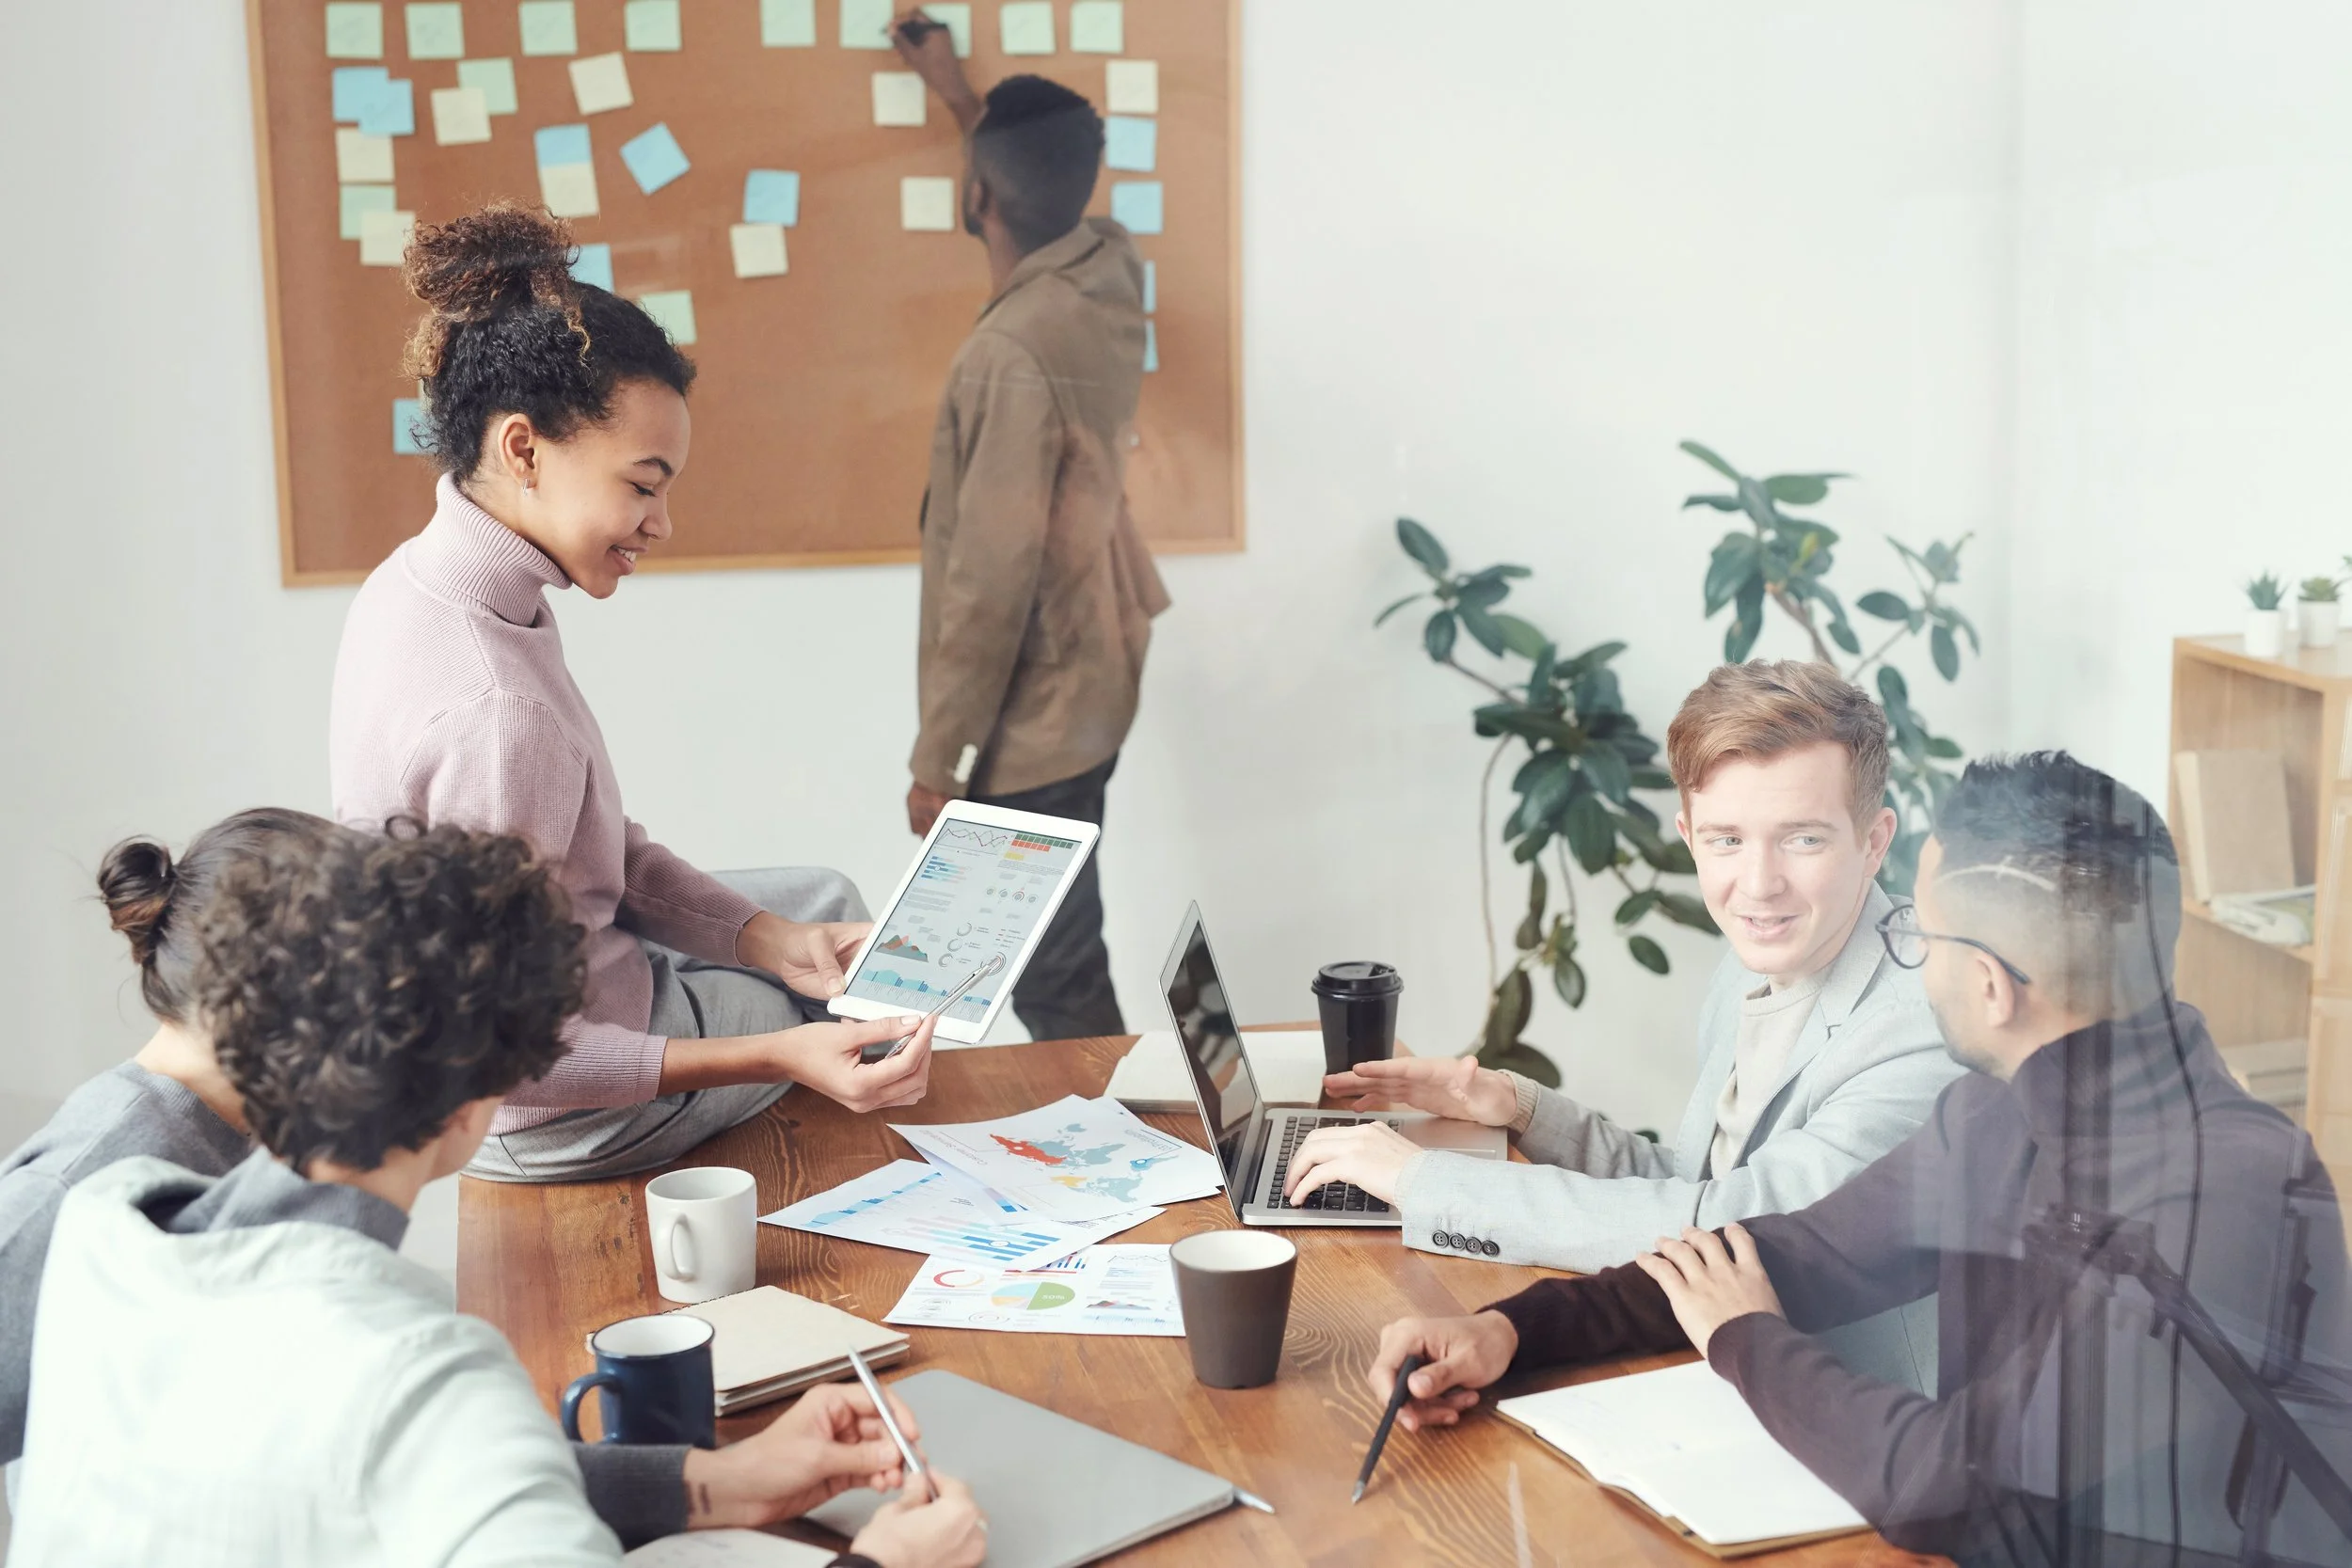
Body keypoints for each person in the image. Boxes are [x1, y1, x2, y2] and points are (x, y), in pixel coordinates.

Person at [1366, 753, 2352, 1562]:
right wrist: (1508, 1332)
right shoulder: (1993, 1116)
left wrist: (1746, 1341)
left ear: (1991, 984)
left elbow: (1950, 1484)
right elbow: (1781, 1253)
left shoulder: (2223, 1190)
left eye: (1921, 934)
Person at [0, 814, 985, 1564]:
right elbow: (432, 1434)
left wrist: (712, 1480)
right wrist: (878, 1559)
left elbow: (420, 1469)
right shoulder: (426, 1366)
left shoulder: (110, 1222)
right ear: (485, 1094)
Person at [330, 203, 939, 1184]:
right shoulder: (499, 712)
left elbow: (588, 845)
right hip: (554, 1108)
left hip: (585, 978)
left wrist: (761, 935)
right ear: (523, 448)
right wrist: (783, 1049)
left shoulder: (426, 583)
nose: (661, 522)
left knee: (819, 911)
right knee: (863, 1018)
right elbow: (513, 1065)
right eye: (643, 484)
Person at [1284, 661, 1962, 1386]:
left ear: (1874, 840)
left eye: (1802, 839)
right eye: (1727, 839)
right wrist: (1519, 1108)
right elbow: (1684, 1182)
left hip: (1852, 1411)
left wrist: (1425, 1179)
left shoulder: (1925, 1021)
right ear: (1689, 834)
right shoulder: (1757, 954)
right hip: (1710, 1359)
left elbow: (1729, 1227)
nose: (1759, 883)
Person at [888, 13, 1170, 1042]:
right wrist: (960, 97)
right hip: (1096, 664)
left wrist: (937, 760)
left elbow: (990, 577)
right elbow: (1037, 197)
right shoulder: (1110, 274)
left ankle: (1144, 1166)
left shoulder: (1003, 355)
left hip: (1034, 699)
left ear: (976, 196)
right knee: (1058, 946)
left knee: (1053, 976)